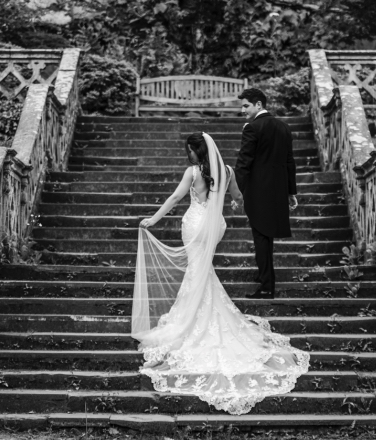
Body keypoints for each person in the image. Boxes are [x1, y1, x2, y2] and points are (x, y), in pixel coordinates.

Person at [131, 131, 309, 415]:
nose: (187, 154)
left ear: (197, 151)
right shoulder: (226, 171)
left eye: (190, 149)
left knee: (196, 270)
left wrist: (153, 218)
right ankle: (201, 314)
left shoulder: (192, 172)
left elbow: (177, 197)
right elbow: (237, 196)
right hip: (215, 226)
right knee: (201, 271)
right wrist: (234, 202)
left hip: (195, 224)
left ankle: (190, 320)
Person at [234, 87, 298, 299]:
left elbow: (244, 163)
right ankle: (265, 276)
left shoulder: (252, 128)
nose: (243, 110)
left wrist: (237, 193)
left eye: (246, 106)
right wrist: (290, 192)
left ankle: (266, 286)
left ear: (258, 105)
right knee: (266, 237)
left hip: (258, 191)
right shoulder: (283, 127)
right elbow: (290, 162)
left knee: (261, 237)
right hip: (278, 191)